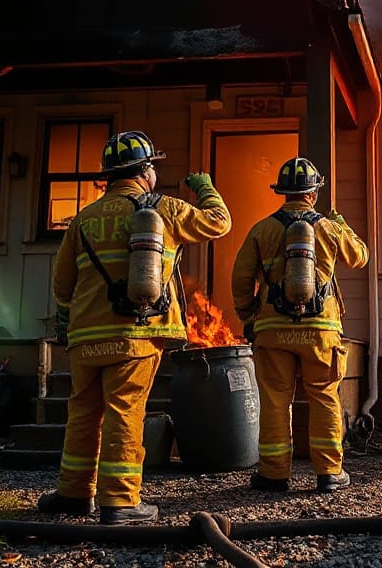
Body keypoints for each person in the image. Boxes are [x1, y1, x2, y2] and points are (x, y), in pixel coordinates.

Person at [39, 130, 231, 523]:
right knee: (124, 411)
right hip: (135, 335)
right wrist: (206, 187)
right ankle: (121, 500)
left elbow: (62, 284)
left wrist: (65, 322)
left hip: (85, 336)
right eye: (152, 167)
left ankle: (74, 494)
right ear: (145, 171)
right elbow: (219, 223)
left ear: (108, 176)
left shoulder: (83, 218)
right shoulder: (164, 209)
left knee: (83, 413)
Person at [231, 156, 369, 493]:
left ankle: (274, 474)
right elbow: (359, 256)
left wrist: (250, 315)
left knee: (276, 401)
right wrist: (342, 223)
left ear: (283, 192)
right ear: (313, 193)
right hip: (321, 332)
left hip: (273, 330)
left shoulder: (262, 230)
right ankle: (329, 473)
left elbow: (241, 277)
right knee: (324, 396)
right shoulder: (329, 228)